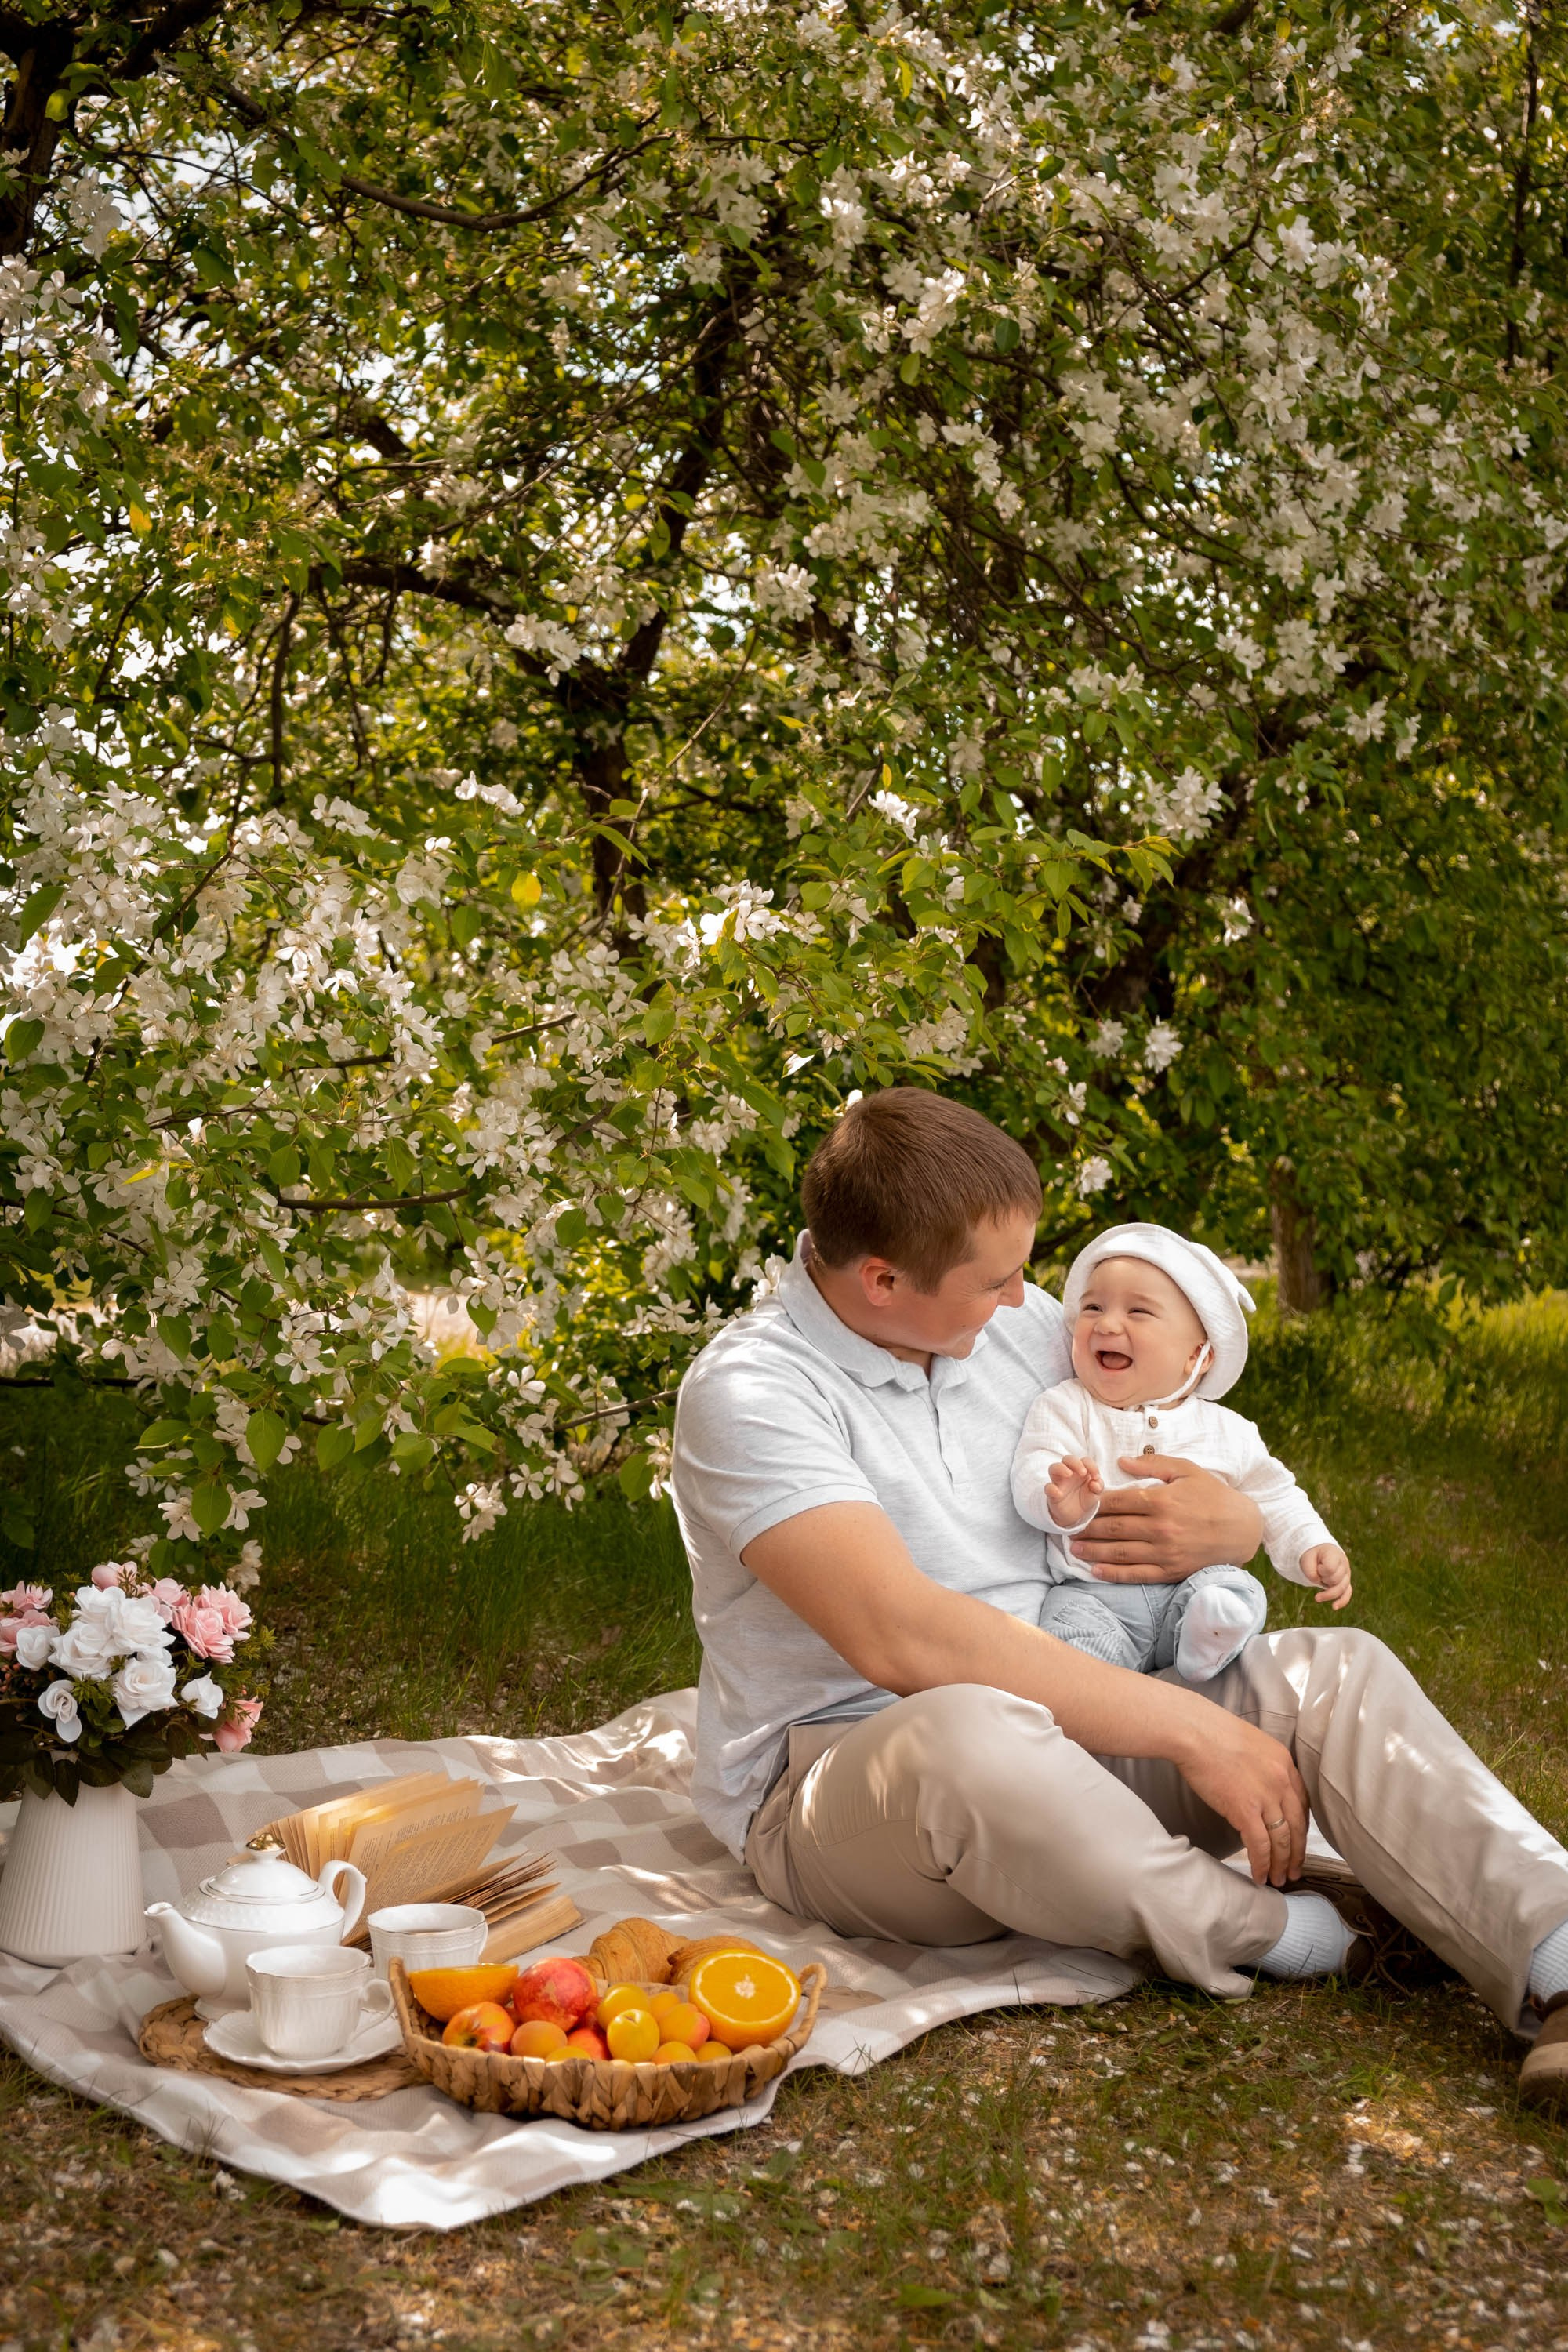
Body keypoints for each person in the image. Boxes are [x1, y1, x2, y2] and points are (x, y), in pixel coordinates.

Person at [669, 1087, 1568, 2114]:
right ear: (881, 1281)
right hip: (854, 1786)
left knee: (1335, 1671)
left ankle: (1555, 1955)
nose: (1028, 1304)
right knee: (962, 1732)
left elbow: (1178, 1442)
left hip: (1082, 1712)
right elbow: (902, 1638)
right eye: (999, 1281)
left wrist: (1228, 1525)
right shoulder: (750, 1393)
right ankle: (1295, 1936)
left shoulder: (1012, 1328)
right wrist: (1192, 1730)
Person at [1011, 1222, 1351, 1682]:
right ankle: (1089, 1691)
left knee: (1233, 1591)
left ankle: (1206, 1638)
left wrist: (1312, 1545)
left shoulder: (1228, 1431)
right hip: (1093, 1592)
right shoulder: (1067, 1406)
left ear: (1199, 1356)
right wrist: (1055, 1499)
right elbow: (1034, 1463)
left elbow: (1276, 1495)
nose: (1107, 1323)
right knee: (1071, 1639)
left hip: (1192, 1585)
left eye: (1138, 1311)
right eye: (1093, 1306)